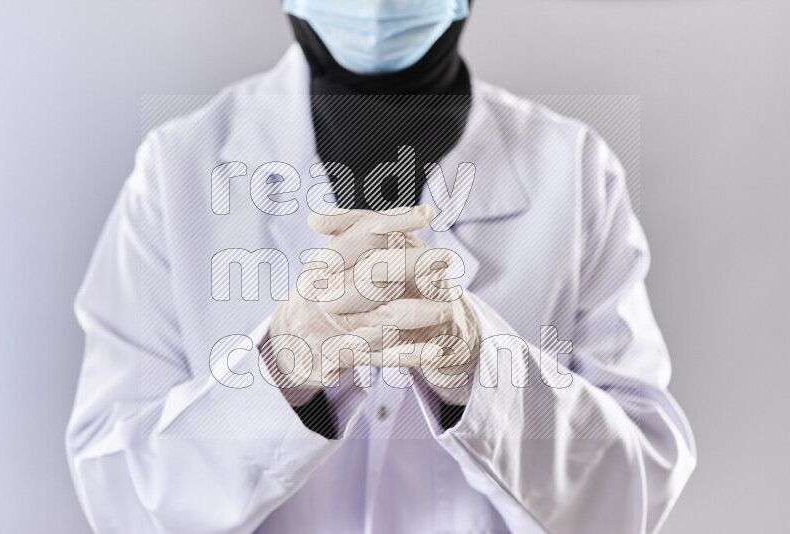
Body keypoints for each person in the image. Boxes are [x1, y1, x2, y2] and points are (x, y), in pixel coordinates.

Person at [66, 1, 696, 533]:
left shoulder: (574, 170)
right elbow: (114, 490)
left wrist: (481, 373)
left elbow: (636, 488)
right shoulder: (179, 169)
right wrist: (277, 374)